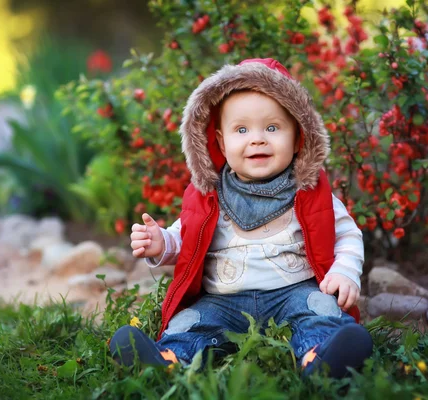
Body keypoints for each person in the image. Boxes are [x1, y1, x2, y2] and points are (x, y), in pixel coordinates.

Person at [110, 58, 373, 378]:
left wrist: (345, 271)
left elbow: (346, 233)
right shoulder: (209, 193)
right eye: (242, 129)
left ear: (297, 136)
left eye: (273, 128)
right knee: (192, 322)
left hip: (293, 292)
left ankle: (321, 359)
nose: (257, 138)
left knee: (319, 312)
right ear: (221, 141)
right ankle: (167, 359)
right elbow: (186, 237)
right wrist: (160, 242)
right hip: (222, 299)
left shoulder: (309, 190)